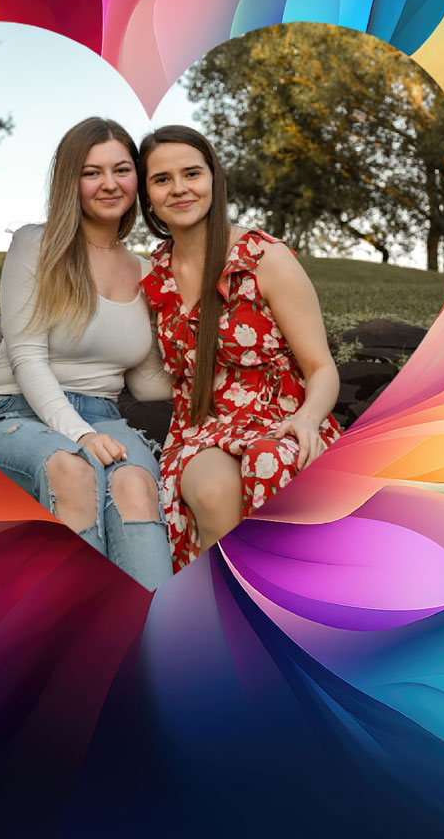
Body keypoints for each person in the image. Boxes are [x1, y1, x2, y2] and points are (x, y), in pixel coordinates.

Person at [0, 117, 174, 590]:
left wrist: (225, 375)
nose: (108, 184)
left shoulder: (146, 272)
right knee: (72, 469)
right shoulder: (36, 244)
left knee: (134, 484)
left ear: (137, 179)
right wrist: (79, 434)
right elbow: (26, 357)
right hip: (15, 414)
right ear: (70, 181)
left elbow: (144, 381)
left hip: (107, 421)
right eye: (91, 172)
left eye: (121, 170)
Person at [137, 125, 342, 570]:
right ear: (147, 193)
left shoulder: (263, 259)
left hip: (282, 418)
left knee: (271, 462)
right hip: (203, 429)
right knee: (213, 495)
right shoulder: (154, 275)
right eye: (161, 179)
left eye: (191, 173)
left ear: (213, 178)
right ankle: (223, 620)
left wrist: (306, 420)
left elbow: (321, 367)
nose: (179, 189)